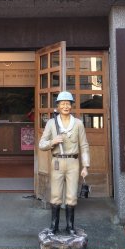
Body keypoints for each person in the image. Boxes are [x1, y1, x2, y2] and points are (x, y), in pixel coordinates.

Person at [38, 91, 90, 235]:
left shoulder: (78, 124)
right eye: (63, 103)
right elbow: (41, 144)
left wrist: (85, 166)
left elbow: (84, 145)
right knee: (55, 195)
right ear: (58, 106)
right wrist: (52, 142)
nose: (66, 106)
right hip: (57, 162)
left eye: (68, 103)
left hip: (73, 162)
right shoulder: (51, 124)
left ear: (71, 106)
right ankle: (54, 226)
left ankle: (70, 227)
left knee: (72, 195)